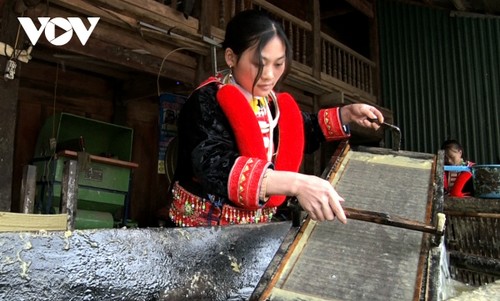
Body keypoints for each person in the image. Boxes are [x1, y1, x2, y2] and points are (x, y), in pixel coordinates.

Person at [167, 9, 384, 227]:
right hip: (203, 230)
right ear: (231, 57)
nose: (269, 75)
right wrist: (296, 184)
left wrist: (346, 114)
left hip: (256, 229)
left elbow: (301, 130)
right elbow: (212, 164)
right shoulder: (206, 100)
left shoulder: (270, 104)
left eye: (278, 64)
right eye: (260, 64)